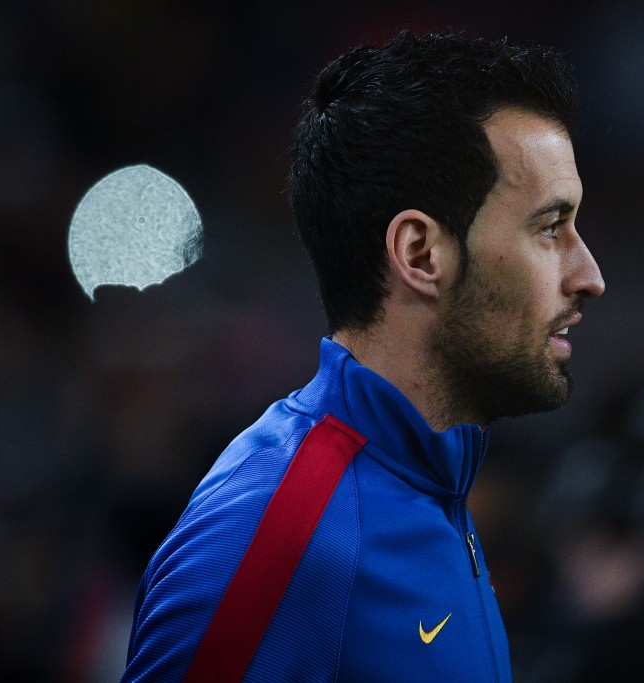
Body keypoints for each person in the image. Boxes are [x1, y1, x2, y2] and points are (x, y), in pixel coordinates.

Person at [121, 30, 604, 682]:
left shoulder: (438, 487)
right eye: (550, 227)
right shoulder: (280, 531)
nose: (589, 274)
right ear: (421, 254)